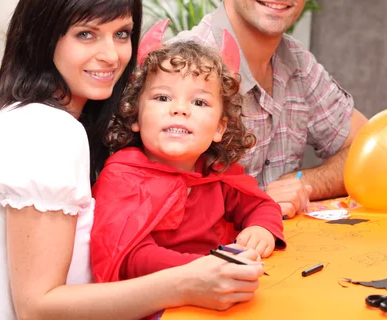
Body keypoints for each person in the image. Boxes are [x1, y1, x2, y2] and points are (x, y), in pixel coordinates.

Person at [0, 0, 265, 320]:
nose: (111, 55)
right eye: (86, 34)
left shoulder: (31, 115)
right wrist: (187, 280)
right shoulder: (44, 131)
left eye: (121, 34)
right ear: (44, 38)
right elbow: (37, 308)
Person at [175, 0, 368, 218]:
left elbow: (369, 150)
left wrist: (303, 183)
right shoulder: (183, 68)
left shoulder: (298, 63)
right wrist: (260, 201)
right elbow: (160, 207)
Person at [91, 36, 286, 283]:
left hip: (220, 288)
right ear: (135, 117)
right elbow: (131, 257)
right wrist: (203, 267)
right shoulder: (122, 178)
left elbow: (261, 205)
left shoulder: (217, 174)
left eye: (199, 102)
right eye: (163, 98)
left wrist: (261, 228)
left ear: (219, 128)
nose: (180, 109)